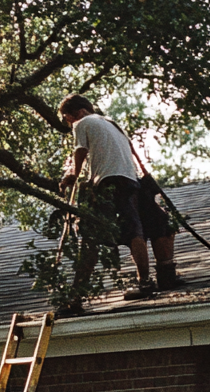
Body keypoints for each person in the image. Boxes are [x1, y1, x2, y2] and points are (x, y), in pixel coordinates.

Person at [55, 94, 183, 317]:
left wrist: (73, 175)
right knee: (148, 225)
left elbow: (80, 152)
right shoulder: (112, 125)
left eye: (67, 120)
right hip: (130, 181)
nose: (69, 124)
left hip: (109, 182)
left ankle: (78, 296)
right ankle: (162, 276)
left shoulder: (82, 123)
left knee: (91, 236)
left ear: (74, 113)